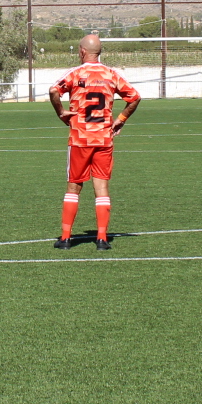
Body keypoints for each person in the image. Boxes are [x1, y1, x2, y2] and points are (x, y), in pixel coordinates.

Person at [49, 34, 141, 250]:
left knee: (74, 187)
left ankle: (65, 238)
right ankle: (101, 239)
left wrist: (61, 111)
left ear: (82, 51)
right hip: (103, 139)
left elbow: (54, 91)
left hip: (80, 139)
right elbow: (135, 97)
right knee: (101, 187)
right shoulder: (111, 74)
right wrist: (120, 120)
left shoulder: (76, 73)